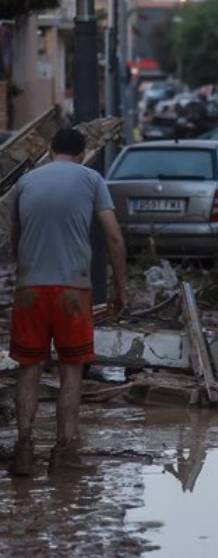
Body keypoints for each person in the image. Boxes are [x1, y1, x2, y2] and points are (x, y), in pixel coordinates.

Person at [8, 128, 127, 477]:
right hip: (73, 292)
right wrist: (120, 288)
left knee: (28, 370)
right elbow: (114, 238)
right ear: (82, 153)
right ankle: (64, 454)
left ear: (50, 149)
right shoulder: (91, 179)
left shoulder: (26, 183)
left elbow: (14, 240)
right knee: (70, 372)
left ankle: (24, 452)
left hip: (30, 290)